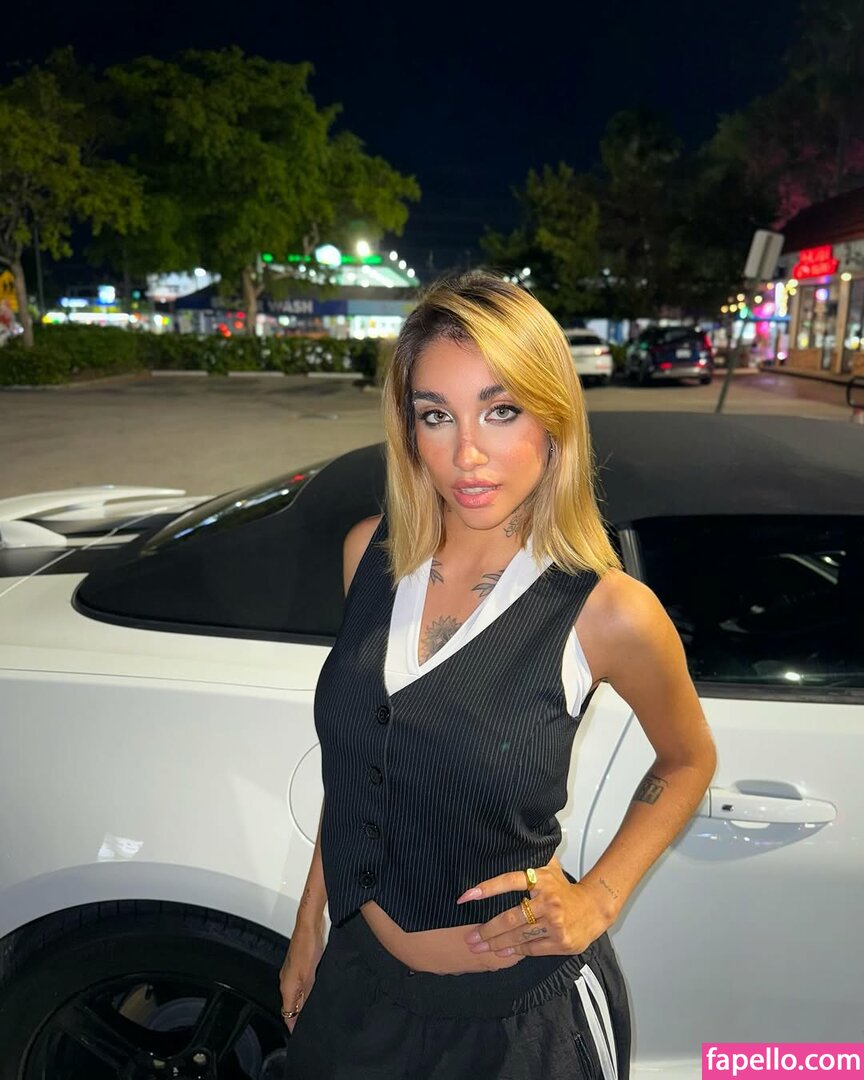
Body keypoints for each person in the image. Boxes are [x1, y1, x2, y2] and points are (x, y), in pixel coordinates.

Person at [280, 270, 716, 1079]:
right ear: (408, 428)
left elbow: (689, 758)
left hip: (515, 1029)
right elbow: (359, 765)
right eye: (436, 415)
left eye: (501, 409)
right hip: (358, 984)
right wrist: (310, 925)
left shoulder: (606, 610)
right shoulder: (370, 556)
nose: (467, 454)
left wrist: (600, 898)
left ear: (552, 418)